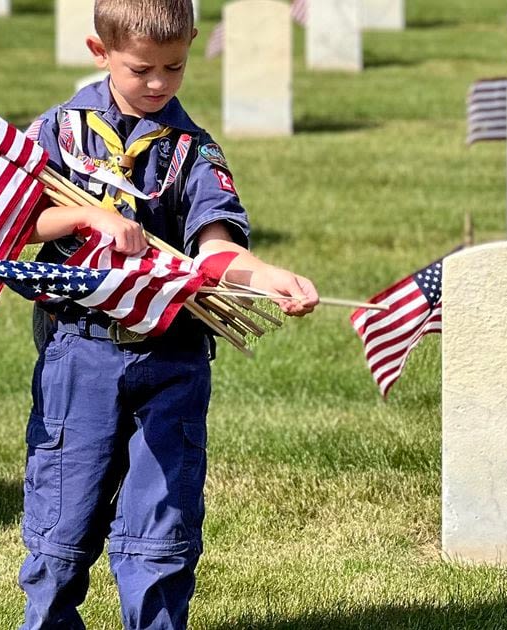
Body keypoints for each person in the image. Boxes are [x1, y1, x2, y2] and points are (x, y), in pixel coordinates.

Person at [18, 1, 320, 627]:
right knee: (61, 525)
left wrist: (264, 276)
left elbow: (217, 245)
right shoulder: (55, 134)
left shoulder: (193, 150)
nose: (158, 83)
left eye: (175, 67)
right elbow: (11, 225)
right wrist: (87, 216)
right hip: (82, 353)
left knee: (162, 529)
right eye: (141, 69)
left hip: (172, 356)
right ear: (99, 52)